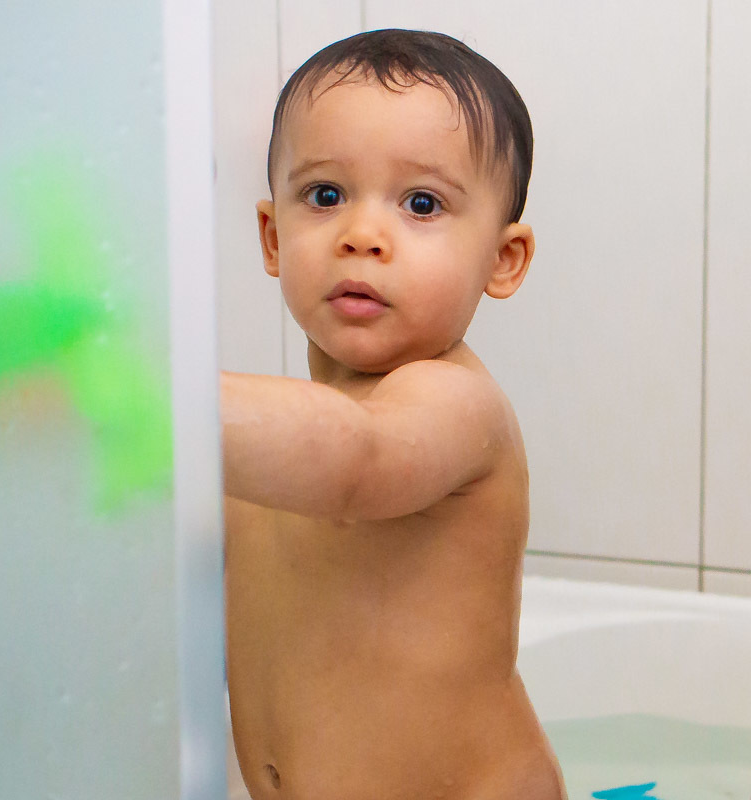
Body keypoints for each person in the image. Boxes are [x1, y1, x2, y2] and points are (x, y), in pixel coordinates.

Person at [222, 29, 568, 799]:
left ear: (501, 260)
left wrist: (157, 394)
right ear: (273, 236)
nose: (362, 236)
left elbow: (356, 462)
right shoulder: (268, 451)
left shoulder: (454, 407)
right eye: (325, 195)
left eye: (421, 204)